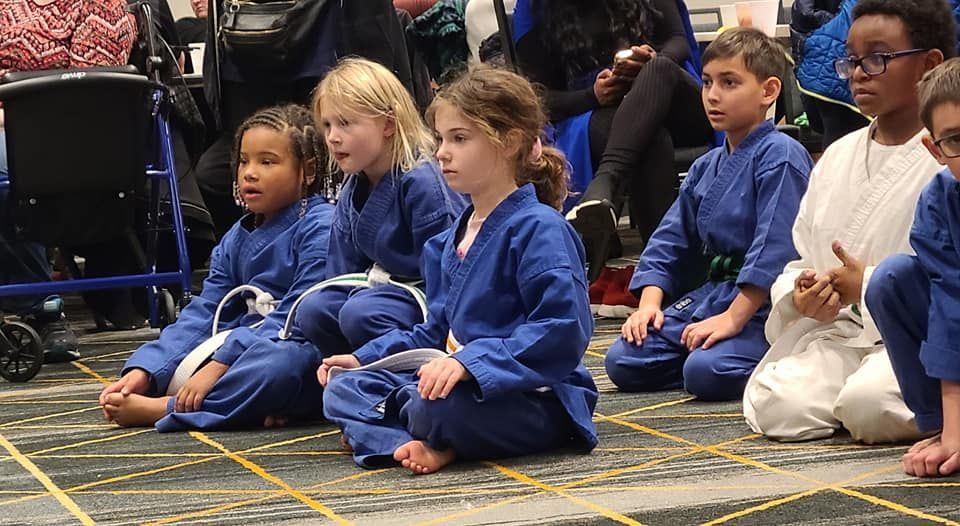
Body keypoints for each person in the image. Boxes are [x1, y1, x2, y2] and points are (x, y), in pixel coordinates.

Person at [318, 66, 598, 475]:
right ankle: (419, 437)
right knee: (343, 388)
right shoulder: (450, 239)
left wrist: (471, 364)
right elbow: (434, 331)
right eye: (441, 139)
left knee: (438, 407)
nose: (442, 153)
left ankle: (409, 432)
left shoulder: (541, 228)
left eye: (459, 139)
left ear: (509, 142)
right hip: (455, 383)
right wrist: (365, 359)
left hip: (533, 394)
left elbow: (562, 328)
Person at [743, 0, 955, 444]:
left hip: (917, 334)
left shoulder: (947, 160)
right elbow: (800, 258)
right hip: (839, 330)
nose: (858, 73)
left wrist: (870, 284)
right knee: (780, 405)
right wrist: (802, 296)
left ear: (929, 63)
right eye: (851, 61)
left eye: (877, 59)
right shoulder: (837, 155)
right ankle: (853, 392)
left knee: (869, 407)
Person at [602, 28, 812, 401]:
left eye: (730, 83)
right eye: (707, 82)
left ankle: (780, 354)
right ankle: (703, 348)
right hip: (714, 294)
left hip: (763, 303)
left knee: (706, 371)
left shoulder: (781, 155)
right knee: (625, 359)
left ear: (768, 91)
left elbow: (775, 249)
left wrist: (733, 318)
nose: (713, 95)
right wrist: (649, 306)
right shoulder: (705, 166)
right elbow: (672, 238)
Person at [99, 105, 335, 431]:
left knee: (281, 366)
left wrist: (222, 362)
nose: (249, 173)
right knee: (168, 356)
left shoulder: (321, 226)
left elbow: (300, 312)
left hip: (297, 342)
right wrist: (146, 370)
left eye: (267, 162)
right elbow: (207, 311)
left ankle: (166, 408)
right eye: (243, 161)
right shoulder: (235, 237)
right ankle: (243, 407)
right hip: (240, 345)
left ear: (307, 171)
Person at [515, 0, 714, 277]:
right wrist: (591, 96)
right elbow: (536, 95)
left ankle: (603, 185)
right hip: (596, 109)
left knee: (659, 70)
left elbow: (678, 39)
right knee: (649, 137)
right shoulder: (535, 7)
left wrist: (648, 62)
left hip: (674, 97)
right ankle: (664, 269)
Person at [293, 58, 465, 358]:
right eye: (327, 125)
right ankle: (341, 371)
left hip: (431, 300)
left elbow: (449, 274)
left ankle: (396, 380)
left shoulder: (423, 182)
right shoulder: (354, 187)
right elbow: (340, 276)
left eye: (345, 123)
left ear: (388, 124)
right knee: (314, 309)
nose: (332, 137)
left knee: (361, 313)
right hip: (380, 293)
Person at [0, 0, 137, 361]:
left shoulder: (99, 6)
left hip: (65, 130)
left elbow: (92, 95)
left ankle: (40, 309)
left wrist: (16, 116)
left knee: (6, 169)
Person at [866, 58, 960, 477]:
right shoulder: (938, 202)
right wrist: (954, 427)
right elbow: (950, 304)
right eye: (956, 141)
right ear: (934, 149)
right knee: (891, 280)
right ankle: (940, 426)